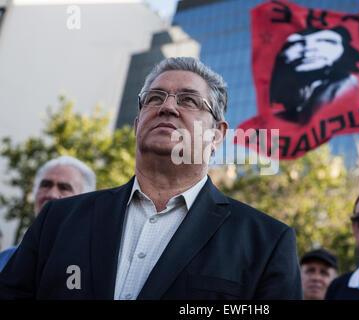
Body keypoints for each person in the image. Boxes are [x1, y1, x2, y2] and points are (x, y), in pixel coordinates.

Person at [0, 57, 302, 299]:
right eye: (154, 98)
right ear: (136, 125)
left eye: (188, 101)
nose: (167, 107)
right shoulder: (58, 221)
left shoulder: (267, 242)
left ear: (217, 135)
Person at [0, 156, 96, 272]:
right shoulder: (5, 260)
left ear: (84, 202)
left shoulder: (93, 266)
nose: (52, 194)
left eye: (64, 188)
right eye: (46, 185)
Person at [270, 26, 359, 124]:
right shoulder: (283, 103)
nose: (309, 48)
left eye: (325, 41)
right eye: (296, 44)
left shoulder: (345, 86)